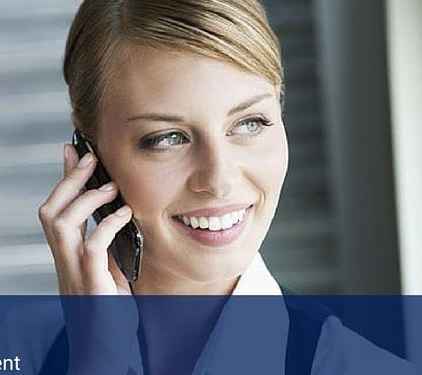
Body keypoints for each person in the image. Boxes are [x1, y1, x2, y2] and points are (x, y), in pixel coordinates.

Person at [31, 1, 418, 374]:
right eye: (167, 138)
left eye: (250, 123)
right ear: (89, 152)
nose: (219, 181)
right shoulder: (16, 350)